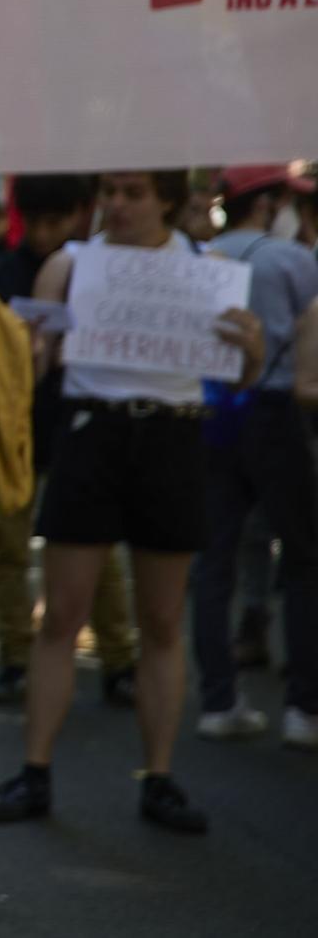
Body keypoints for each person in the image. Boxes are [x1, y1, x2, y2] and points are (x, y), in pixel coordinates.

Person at [0, 171, 264, 835]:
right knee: (62, 613)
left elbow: (242, 374)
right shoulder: (70, 262)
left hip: (171, 436)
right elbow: (33, 360)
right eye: (111, 190)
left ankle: (158, 776)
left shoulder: (207, 267)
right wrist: (32, 347)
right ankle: (35, 770)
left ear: (166, 198)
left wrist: (250, 350)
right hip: (93, 432)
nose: (117, 203)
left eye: (134, 191)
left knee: (163, 619)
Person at [0, 175, 138, 708]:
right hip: (13, 430)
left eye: (57, 221)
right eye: (37, 222)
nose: (45, 233)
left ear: (77, 214)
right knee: (9, 550)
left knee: (99, 551)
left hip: (79, 430)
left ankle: (120, 659)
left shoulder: (95, 275)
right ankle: (14, 659)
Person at [193, 165, 318, 749]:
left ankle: (218, 698)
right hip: (275, 411)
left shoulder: (198, 259)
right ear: (267, 204)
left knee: (213, 558)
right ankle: (304, 706)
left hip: (215, 412)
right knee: (301, 556)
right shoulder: (292, 261)